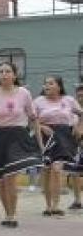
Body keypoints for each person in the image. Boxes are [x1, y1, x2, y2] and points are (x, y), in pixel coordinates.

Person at [0, 62, 44, 227]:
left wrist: (40, 144)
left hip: (18, 137)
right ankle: (7, 213)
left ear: (14, 75)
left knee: (10, 177)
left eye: (8, 71)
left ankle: (13, 215)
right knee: (1, 179)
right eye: (1, 71)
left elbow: (34, 119)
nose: (4, 74)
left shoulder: (24, 93)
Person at [34, 75, 83, 216]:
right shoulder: (38, 101)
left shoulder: (69, 100)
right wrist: (42, 127)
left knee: (57, 168)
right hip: (45, 136)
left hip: (64, 136)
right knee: (47, 169)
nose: (46, 86)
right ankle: (48, 206)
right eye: (45, 84)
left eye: (50, 83)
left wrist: (79, 127)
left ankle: (55, 205)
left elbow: (81, 114)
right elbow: (32, 120)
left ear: (59, 86)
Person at [69, 85, 83, 210]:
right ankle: (77, 200)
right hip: (78, 147)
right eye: (78, 96)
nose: (80, 98)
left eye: (82, 96)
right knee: (74, 173)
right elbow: (75, 133)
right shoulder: (74, 113)